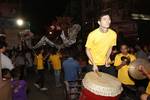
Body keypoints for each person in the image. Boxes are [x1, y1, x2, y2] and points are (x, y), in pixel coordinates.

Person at [85, 12, 117, 76]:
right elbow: (87, 50)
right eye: (104, 19)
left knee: (112, 79)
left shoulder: (113, 34)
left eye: (109, 19)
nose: (107, 21)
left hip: (105, 62)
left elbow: (110, 48)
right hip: (93, 63)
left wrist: (107, 59)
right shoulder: (92, 34)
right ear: (99, 22)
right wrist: (94, 64)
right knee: (93, 83)